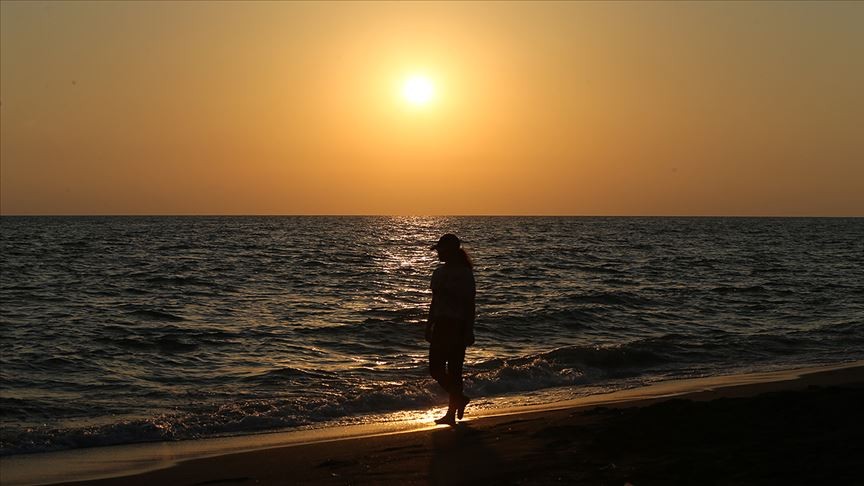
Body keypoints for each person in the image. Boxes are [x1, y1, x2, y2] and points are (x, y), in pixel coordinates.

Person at [426, 233, 476, 426]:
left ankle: (451, 413)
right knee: (436, 369)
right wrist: (429, 325)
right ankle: (459, 397)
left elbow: (469, 304)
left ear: (451, 251)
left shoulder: (465, 274)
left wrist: (468, 329)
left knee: (454, 371)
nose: (438, 253)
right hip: (441, 325)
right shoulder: (439, 273)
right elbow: (435, 302)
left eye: (441, 249)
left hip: (457, 325)